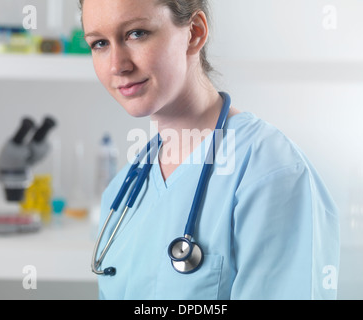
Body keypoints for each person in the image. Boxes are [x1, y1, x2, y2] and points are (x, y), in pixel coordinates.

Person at [80, 0, 340, 300]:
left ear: (195, 33)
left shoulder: (270, 172)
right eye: (99, 43)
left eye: (136, 33)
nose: (117, 65)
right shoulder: (122, 191)